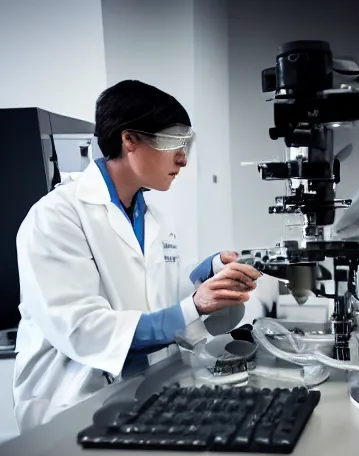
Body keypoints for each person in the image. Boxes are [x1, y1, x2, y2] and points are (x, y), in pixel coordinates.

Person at [13, 80, 261, 432]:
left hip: (145, 394)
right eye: (172, 141)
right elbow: (83, 329)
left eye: (185, 144)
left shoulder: (156, 220)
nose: (183, 158)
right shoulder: (56, 216)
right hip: (71, 404)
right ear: (129, 140)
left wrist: (209, 277)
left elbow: (159, 303)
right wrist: (193, 305)